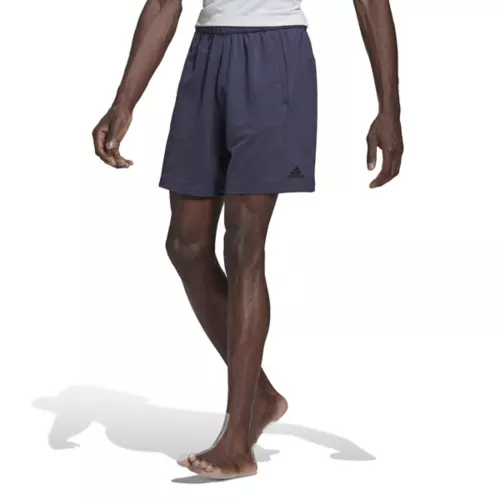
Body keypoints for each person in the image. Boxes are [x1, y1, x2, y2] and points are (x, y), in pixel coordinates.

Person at [92, 0, 404, 480]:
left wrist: (389, 109)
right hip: (206, 54)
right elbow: (163, 4)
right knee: (186, 245)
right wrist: (124, 100)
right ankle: (259, 397)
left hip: (273, 57)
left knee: (243, 245)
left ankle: (237, 442)